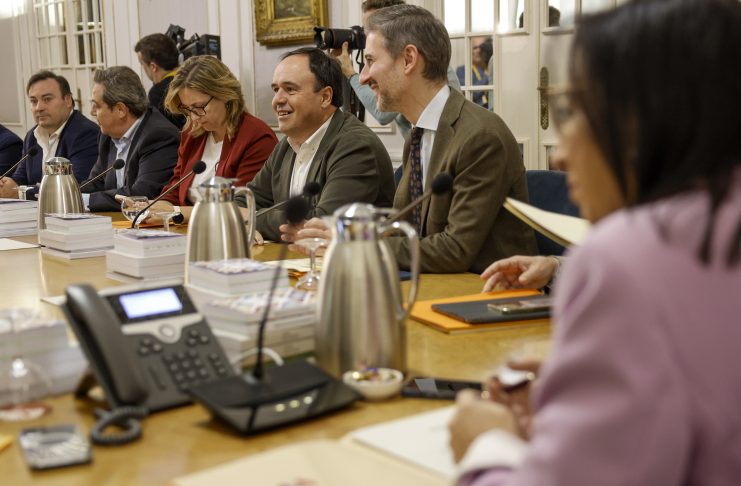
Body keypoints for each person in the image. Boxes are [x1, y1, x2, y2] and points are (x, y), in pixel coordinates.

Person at [449, 1, 741, 485]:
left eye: (575, 112)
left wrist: (486, 444)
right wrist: (590, 398)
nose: (559, 155)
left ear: (643, 121)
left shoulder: (626, 258)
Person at [294, 5, 536, 273]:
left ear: (408, 59)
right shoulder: (418, 134)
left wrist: (355, 243)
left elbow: (454, 250)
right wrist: (345, 230)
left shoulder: (481, 137)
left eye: (371, 61)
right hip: (433, 284)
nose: (362, 77)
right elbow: (405, 229)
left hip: (487, 290)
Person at [245, 47, 395, 242]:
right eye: (276, 90)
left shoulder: (355, 145)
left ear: (325, 97)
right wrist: (250, 216)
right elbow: (245, 201)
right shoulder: (286, 146)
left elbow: (322, 224)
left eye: (290, 89)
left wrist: (251, 220)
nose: (277, 100)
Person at [146, 55, 278, 221]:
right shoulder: (192, 133)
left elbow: (240, 207)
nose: (194, 117)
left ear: (225, 94)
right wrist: (155, 207)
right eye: (187, 109)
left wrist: (175, 212)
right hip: (187, 230)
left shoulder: (256, 137)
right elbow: (175, 188)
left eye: (199, 107)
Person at [330, 0, 461, 140]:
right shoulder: (415, 140)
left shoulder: (428, 68)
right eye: (365, 29)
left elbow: (382, 115)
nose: (366, 34)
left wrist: (351, 74)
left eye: (374, 26)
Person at [82, 66, 179, 212]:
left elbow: (140, 195)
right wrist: (67, 195)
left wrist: (85, 200)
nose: (92, 112)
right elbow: (96, 183)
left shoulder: (159, 136)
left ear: (120, 109)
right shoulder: (107, 134)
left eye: (97, 106)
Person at [0, 71, 99, 200]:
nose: (39, 107)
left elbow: (76, 185)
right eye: (33, 101)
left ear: (68, 100)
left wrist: (20, 193)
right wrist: (6, 185)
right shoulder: (32, 136)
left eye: (47, 99)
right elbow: (20, 179)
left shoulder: (85, 133)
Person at [134, 33, 186, 129]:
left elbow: (161, 133)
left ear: (153, 67)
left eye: (142, 64)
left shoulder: (157, 93)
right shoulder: (191, 78)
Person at [456, 37, 493, 109]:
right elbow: (472, 94)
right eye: (475, 48)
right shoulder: (462, 70)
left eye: (482, 47)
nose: (479, 50)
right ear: (469, 50)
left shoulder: (491, 67)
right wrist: (489, 75)